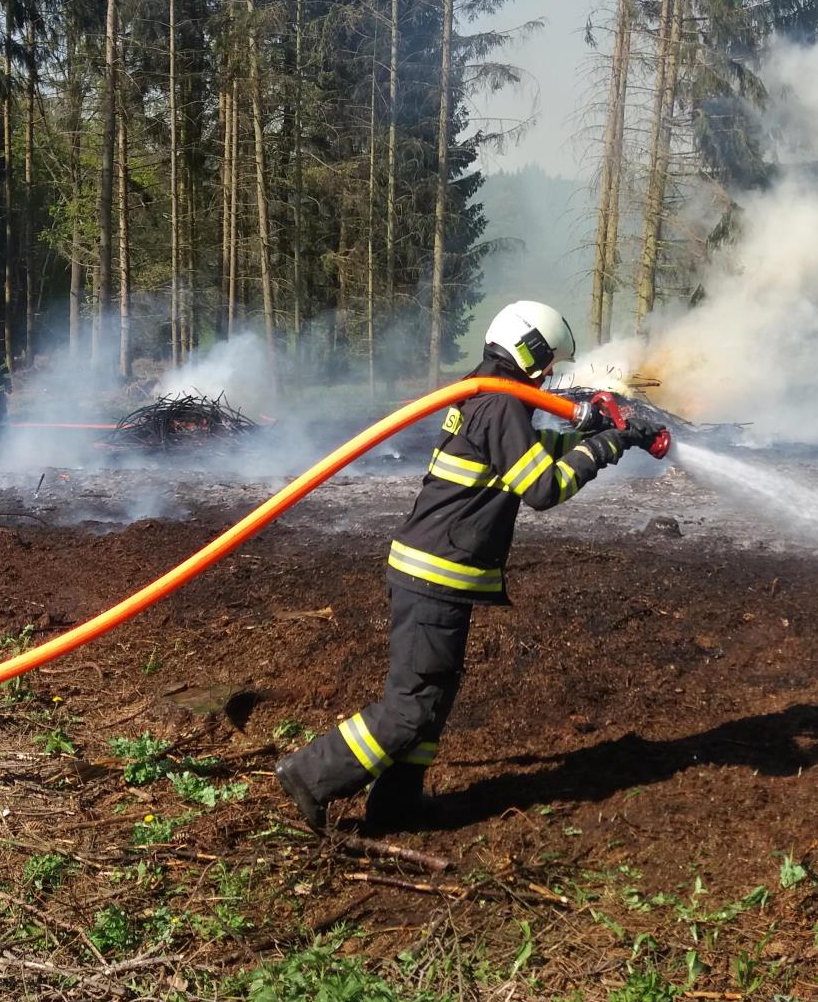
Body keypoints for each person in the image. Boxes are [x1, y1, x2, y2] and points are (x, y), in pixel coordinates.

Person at [273, 301, 666, 833]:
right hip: (434, 573)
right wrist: (608, 444)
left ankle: (397, 805)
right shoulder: (500, 404)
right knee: (411, 707)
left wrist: (605, 433)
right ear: (528, 349)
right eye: (547, 360)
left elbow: (533, 451)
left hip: (439, 572)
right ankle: (310, 773)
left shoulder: (488, 396)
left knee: (433, 700)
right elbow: (542, 488)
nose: (550, 372)